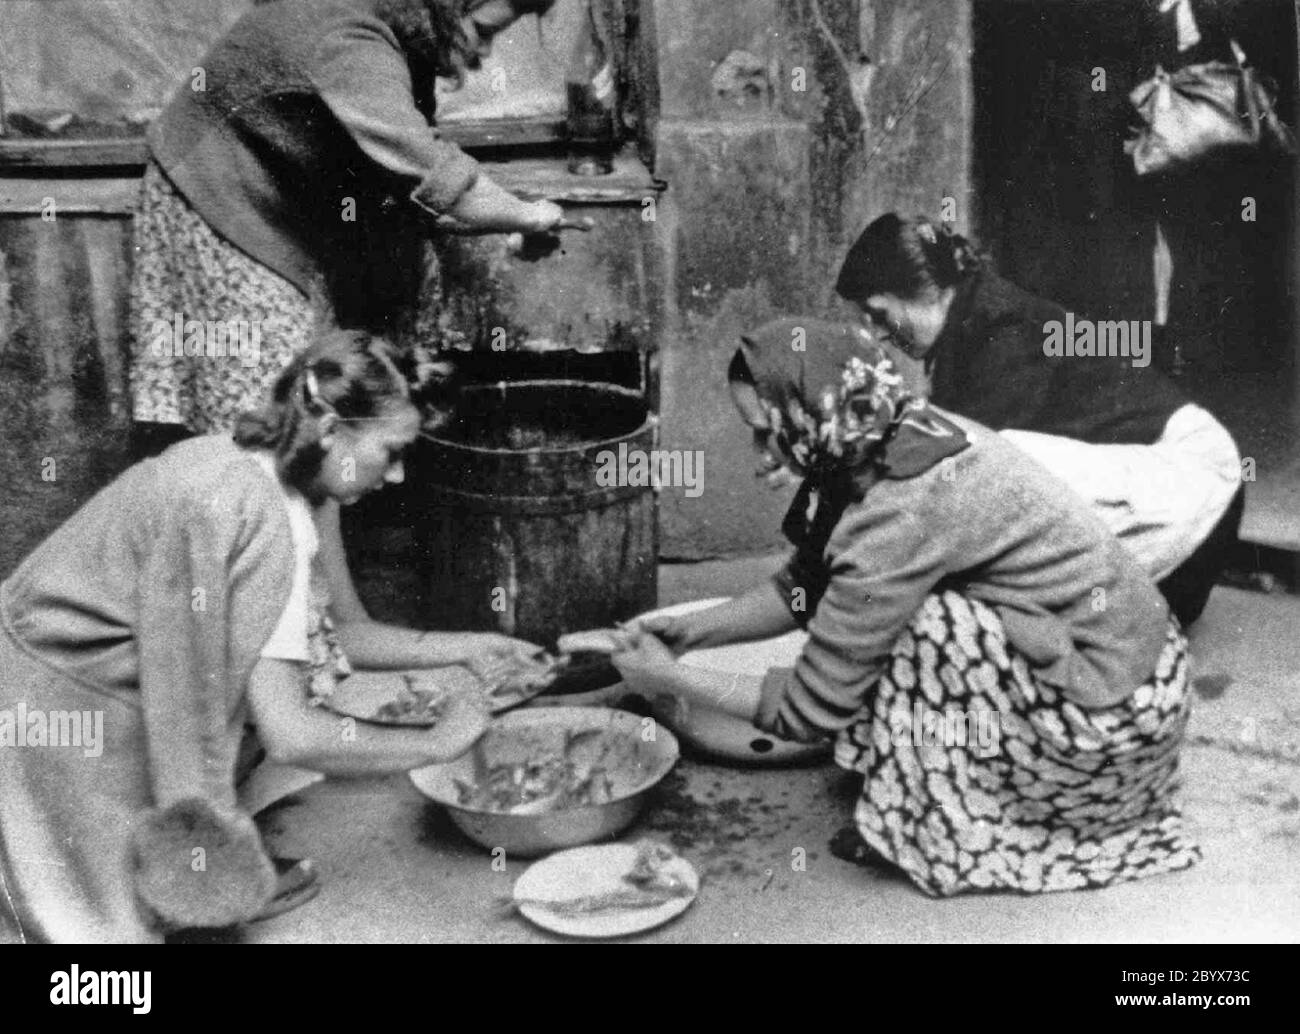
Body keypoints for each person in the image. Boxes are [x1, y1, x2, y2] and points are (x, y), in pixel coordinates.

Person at [619, 318, 1200, 897]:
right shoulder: (890, 432)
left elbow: (810, 712)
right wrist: (690, 631)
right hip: (1128, 660)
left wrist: (671, 679)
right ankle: (919, 791)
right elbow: (806, 587)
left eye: (763, 430)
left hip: (1109, 720)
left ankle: (966, 833)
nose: (756, 453)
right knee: (880, 614)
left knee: (925, 630)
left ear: (807, 417)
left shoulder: (900, 511)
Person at [0, 330, 540, 943]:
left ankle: (224, 883)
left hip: (92, 671)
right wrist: (438, 741)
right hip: (50, 693)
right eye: (392, 451)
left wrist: (470, 646)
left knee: (174, 852)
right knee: (94, 938)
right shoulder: (257, 512)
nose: (396, 476)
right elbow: (292, 733)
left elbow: (333, 635)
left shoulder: (278, 470)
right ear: (333, 430)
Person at [129, 0, 578, 634]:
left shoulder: (392, 30)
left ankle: (324, 621)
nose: (482, 54)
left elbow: (401, 166)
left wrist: (497, 215)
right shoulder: (348, 33)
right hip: (215, 199)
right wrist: (528, 213)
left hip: (274, 207)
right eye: (481, 31)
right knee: (277, 424)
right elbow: (423, 164)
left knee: (311, 422)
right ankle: (272, 634)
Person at [833, 213, 1243, 626]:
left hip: (1194, 499)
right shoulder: (972, 319)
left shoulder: (1002, 330)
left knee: (978, 464)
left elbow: (952, 483)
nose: (880, 334)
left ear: (926, 290)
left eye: (881, 314)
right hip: (1182, 516)